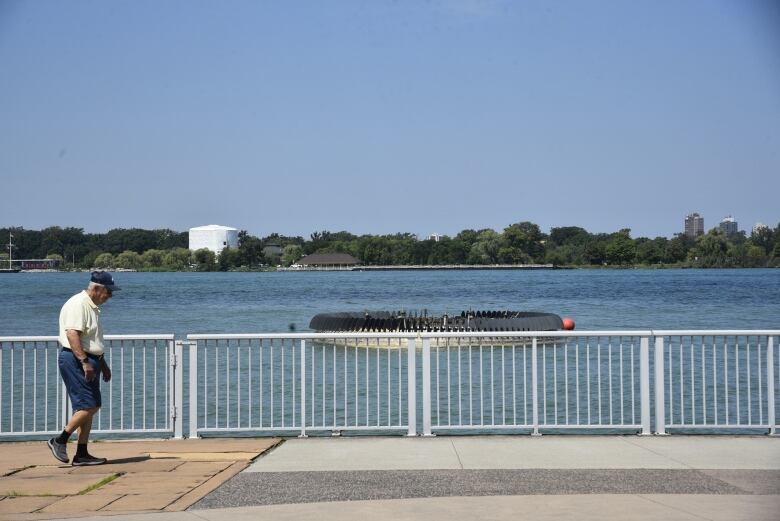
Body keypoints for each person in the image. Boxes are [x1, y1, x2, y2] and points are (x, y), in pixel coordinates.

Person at [47, 271, 119, 466]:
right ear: (96, 288)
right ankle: (60, 440)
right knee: (90, 405)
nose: (110, 295)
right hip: (76, 359)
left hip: (89, 359)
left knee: (87, 406)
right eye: (108, 291)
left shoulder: (92, 306)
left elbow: (91, 340)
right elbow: (72, 335)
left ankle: (82, 453)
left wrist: (102, 364)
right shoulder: (78, 304)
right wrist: (84, 362)